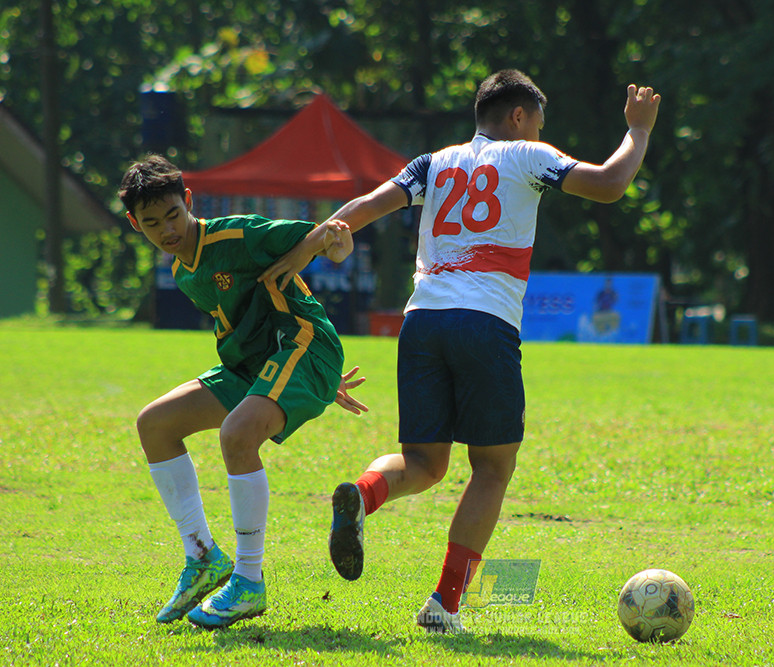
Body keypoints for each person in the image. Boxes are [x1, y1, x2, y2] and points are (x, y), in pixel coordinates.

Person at [260, 69, 660, 633]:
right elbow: (610, 183)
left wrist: (301, 254)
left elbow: (365, 206)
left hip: (421, 321)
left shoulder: (433, 162)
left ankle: (363, 493)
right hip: (485, 321)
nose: (539, 132)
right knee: (493, 467)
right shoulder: (527, 153)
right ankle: (444, 606)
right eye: (537, 123)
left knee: (424, 462)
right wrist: (638, 131)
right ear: (519, 117)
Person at [118, 154, 367, 629]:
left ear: (188, 201)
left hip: (302, 347)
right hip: (256, 365)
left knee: (236, 436)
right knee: (155, 424)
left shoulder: (237, 234)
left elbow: (320, 235)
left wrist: (334, 246)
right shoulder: (183, 272)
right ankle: (202, 556)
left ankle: (249, 581)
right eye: (152, 223)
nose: (167, 229)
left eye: (173, 214)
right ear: (135, 224)